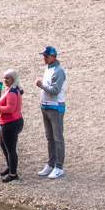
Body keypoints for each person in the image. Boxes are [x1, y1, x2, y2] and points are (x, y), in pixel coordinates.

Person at [35, 47, 67, 179]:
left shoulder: (59, 71)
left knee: (58, 138)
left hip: (55, 108)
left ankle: (59, 167)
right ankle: (51, 163)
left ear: (53, 57)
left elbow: (55, 90)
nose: (44, 58)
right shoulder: (48, 68)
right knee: (50, 137)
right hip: (46, 107)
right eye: (44, 56)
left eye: (46, 56)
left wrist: (41, 85)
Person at [0, 70, 25, 181]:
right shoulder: (11, 89)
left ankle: (13, 174)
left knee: (11, 149)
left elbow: (10, 109)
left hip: (11, 123)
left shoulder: (12, 92)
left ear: (13, 79)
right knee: (4, 146)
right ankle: (10, 167)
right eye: (4, 78)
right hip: (8, 123)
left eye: (8, 78)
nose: (5, 80)